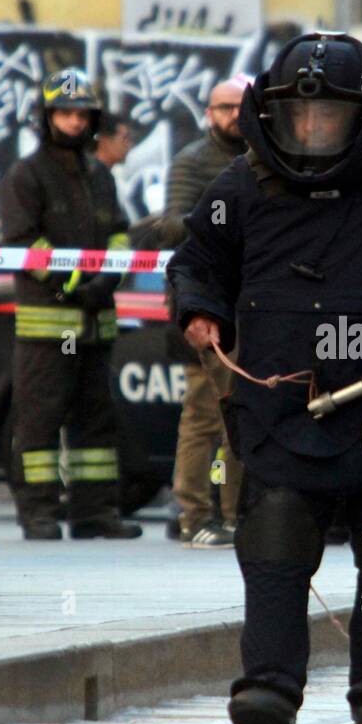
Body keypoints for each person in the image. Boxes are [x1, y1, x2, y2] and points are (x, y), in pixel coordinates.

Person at [167, 32, 362, 724]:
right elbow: (199, 257)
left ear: (361, 117)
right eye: (299, 117)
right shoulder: (243, 184)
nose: (311, 130)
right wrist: (199, 309)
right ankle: (270, 682)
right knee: (274, 535)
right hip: (284, 405)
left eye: (327, 117)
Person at [0, 68, 142, 541]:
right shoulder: (27, 174)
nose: (74, 122)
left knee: (96, 423)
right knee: (39, 421)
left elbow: (119, 232)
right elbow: (23, 242)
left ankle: (93, 512)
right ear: (48, 116)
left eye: (82, 114)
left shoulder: (99, 174)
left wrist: (109, 277)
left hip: (96, 323)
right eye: (65, 112)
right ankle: (38, 513)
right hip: (48, 327)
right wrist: (78, 282)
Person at [158, 76, 249, 549]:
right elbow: (172, 225)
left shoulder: (257, 157)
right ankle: (194, 514)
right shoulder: (193, 161)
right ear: (210, 113)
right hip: (204, 304)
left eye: (242, 106)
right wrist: (221, 220)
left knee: (238, 411)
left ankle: (234, 515)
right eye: (226, 107)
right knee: (206, 414)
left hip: (243, 301)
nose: (236, 115)